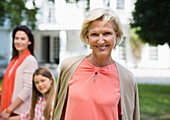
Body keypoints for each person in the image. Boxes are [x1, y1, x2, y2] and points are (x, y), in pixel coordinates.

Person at [52, 7, 140, 120]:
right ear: (87, 37)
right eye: (94, 34)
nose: (100, 40)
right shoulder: (69, 67)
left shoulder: (126, 78)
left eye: (107, 33)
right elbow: (59, 111)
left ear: (116, 36)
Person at [0, 25, 38, 119]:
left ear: (29, 42)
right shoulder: (14, 60)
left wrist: (9, 110)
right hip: (9, 109)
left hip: (19, 111)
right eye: (16, 38)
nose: (19, 42)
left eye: (22, 39)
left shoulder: (30, 60)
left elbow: (27, 89)